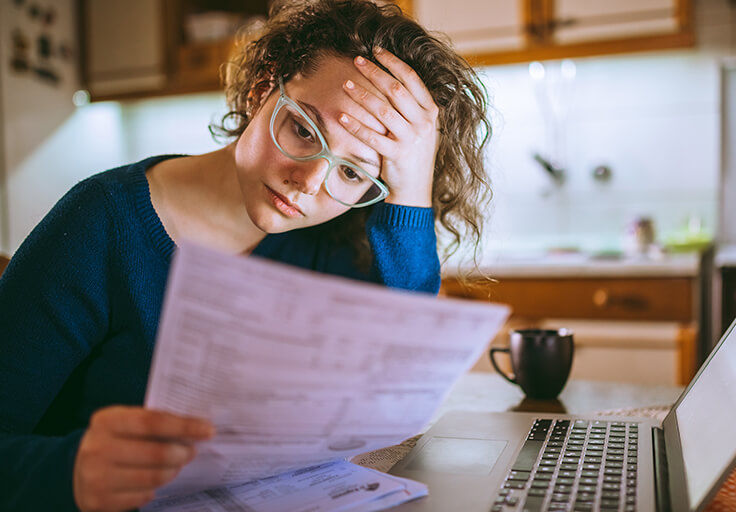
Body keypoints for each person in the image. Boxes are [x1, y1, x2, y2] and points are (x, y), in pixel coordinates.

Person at [0, 0, 492, 510]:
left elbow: (401, 380)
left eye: (353, 172)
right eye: (304, 129)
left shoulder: (337, 239)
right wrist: (72, 470)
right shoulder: (101, 223)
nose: (307, 183)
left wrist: (409, 191)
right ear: (263, 90)